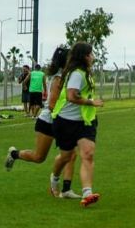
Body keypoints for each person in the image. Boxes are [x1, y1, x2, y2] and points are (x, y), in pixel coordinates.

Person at [5, 46, 80, 198]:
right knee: (39, 157)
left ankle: (65, 189)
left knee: (71, 154)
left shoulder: (69, 76)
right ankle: (14, 154)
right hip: (49, 121)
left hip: (62, 120)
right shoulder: (59, 78)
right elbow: (52, 105)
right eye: (71, 57)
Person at [49, 42, 103, 206]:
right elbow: (72, 96)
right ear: (85, 56)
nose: (93, 57)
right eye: (91, 54)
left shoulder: (86, 72)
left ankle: (87, 193)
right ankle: (55, 177)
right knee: (66, 156)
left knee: (88, 153)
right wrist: (91, 102)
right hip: (65, 121)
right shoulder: (77, 74)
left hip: (85, 122)